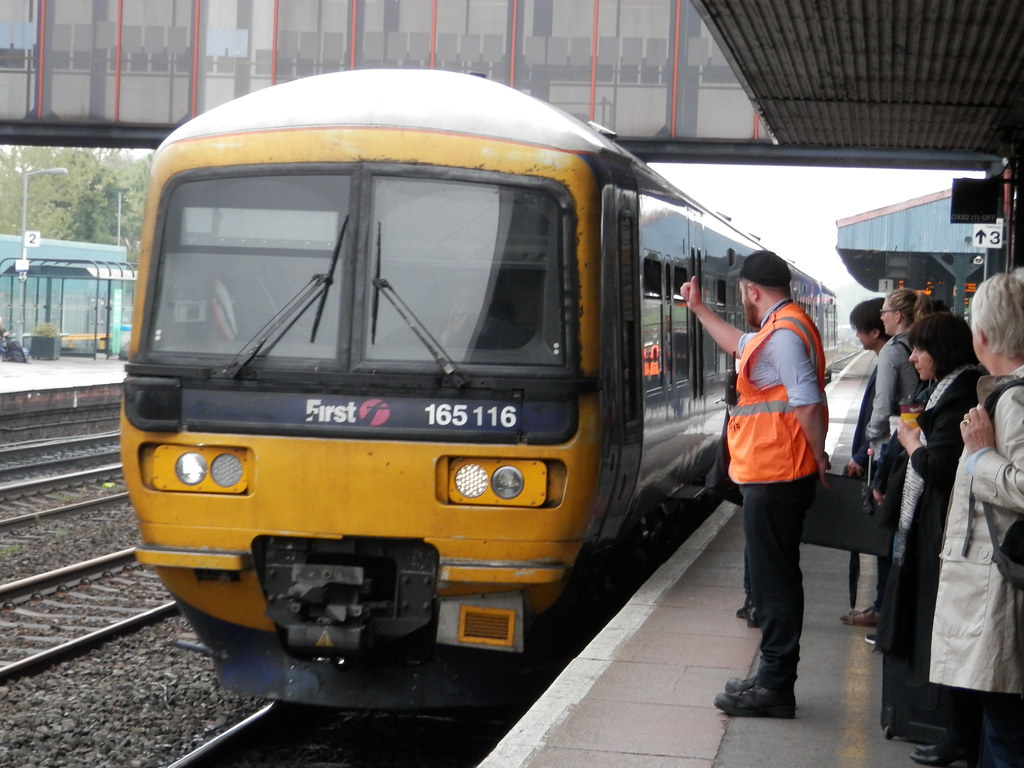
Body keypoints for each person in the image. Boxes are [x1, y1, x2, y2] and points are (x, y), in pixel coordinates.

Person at [680, 249, 828, 719]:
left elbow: (804, 402)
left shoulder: (783, 335)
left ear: (750, 290)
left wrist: (820, 455)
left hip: (777, 473)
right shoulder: (781, 327)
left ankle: (776, 687)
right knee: (772, 581)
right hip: (773, 472)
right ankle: (769, 675)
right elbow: (740, 344)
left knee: (774, 584)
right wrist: (700, 310)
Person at [871, 312, 983, 766]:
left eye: (920, 349)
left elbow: (938, 468)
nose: (912, 357)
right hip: (935, 529)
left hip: (942, 532)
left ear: (944, 351)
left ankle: (960, 734)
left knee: (944, 633)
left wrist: (912, 441)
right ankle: (958, 731)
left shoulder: (960, 395)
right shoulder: (945, 388)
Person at [931, 271, 1024, 768]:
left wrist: (980, 456)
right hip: (996, 583)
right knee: (999, 723)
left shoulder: (1016, 400)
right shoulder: (1006, 393)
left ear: (982, 336)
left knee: (1007, 730)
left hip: (1003, 586)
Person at [839, 298, 894, 628]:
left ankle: (882, 607)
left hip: (881, 457)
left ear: (875, 330)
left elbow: (882, 412)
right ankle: (881, 605)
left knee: (882, 535)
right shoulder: (887, 356)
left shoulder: (889, 356)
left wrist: (861, 455)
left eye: (860, 331)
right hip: (878, 455)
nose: (857, 337)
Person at [868, 288, 926, 460]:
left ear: (898, 316)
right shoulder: (921, 342)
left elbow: (882, 403)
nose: (881, 317)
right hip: (920, 429)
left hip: (896, 438)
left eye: (884, 312)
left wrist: (870, 432)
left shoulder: (891, 350)